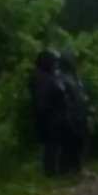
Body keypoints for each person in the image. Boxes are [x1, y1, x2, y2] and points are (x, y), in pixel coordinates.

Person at [29, 49, 70, 177]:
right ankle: (50, 173)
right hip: (49, 117)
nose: (56, 65)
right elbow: (43, 101)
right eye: (54, 62)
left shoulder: (48, 76)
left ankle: (56, 171)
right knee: (51, 147)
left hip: (54, 116)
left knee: (55, 146)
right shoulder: (41, 79)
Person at [56, 48, 92, 175]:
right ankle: (66, 170)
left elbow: (81, 93)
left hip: (81, 112)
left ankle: (79, 168)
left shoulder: (75, 76)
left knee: (82, 141)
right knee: (69, 143)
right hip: (70, 114)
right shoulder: (60, 76)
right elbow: (63, 96)